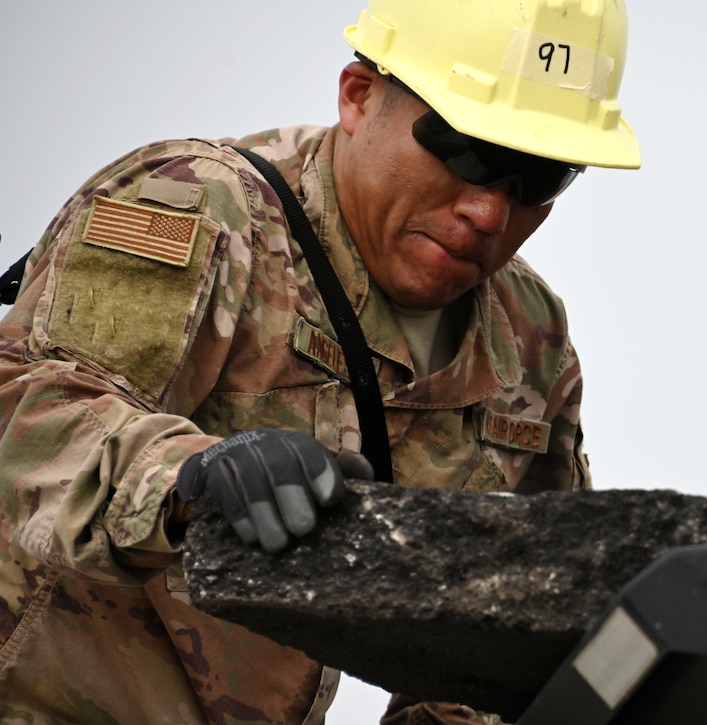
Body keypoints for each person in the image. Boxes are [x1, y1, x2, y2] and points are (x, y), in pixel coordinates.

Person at [0, 0, 639, 723]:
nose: (490, 213)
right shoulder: (200, 208)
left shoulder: (528, 340)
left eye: (539, 177)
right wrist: (188, 476)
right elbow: (30, 422)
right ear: (359, 97)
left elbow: (535, 611)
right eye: (467, 152)